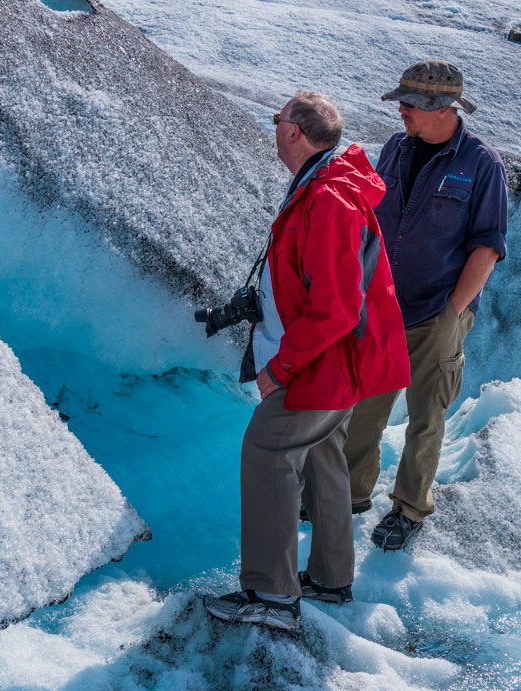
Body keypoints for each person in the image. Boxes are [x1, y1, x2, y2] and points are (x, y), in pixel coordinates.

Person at [204, 90, 410, 631]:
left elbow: (337, 308)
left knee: (268, 445)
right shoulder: (323, 187)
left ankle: (272, 596)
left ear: (294, 132)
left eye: (278, 120)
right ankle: (330, 580)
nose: (274, 128)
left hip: (321, 363)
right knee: (322, 455)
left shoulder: (329, 198)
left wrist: (280, 367)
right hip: (333, 362)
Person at [344, 60, 508, 551]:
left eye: (409, 103)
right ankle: (350, 494)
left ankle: (409, 508)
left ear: (441, 109)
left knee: (426, 416)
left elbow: (488, 246)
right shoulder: (394, 147)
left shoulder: (482, 164)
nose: (401, 110)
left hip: (439, 311)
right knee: (364, 408)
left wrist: (452, 314)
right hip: (382, 305)